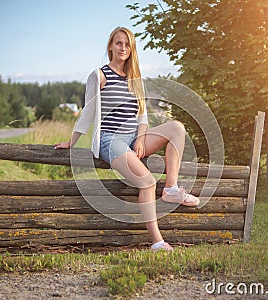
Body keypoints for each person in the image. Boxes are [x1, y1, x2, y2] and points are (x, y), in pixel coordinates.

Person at [55, 27, 199, 252]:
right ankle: (157, 242)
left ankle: (171, 188)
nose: (123, 48)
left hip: (134, 137)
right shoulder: (99, 75)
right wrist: (71, 142)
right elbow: (87, 112)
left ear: (132, 49)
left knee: (177, 129)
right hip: (111, 140)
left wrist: (140, 140)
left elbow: (142, 117)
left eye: (127, 44)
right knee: (148, 181)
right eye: (118, 43)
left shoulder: (135, 79)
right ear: (110, 46)